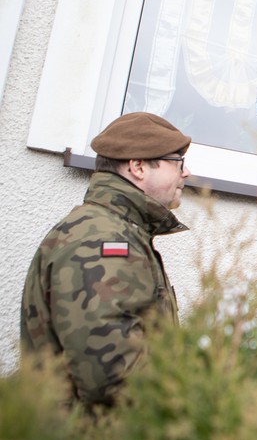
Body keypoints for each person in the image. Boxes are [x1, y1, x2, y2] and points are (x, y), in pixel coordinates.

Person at [20, 112, 192, 408]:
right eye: (178, 162)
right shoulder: (102, 241)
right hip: (87, 435)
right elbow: (111, 377)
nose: (186, 172)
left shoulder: (118, 231)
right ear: (138, 167)